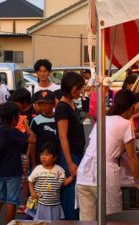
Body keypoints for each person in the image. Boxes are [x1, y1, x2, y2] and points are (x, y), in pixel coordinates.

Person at [76, 89, 139, 221]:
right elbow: (131, 156)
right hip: (104, 174)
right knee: (112, 218)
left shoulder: (103, 119)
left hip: (84, 173)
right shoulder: (126, 124)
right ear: (131, 107)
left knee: (87, 220)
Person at [0, 101, 36, 225]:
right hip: (13, 170)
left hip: (0, 170)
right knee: (12, 200)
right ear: (14, 118)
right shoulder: (13, 132)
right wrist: (26, 126)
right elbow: (32, 139)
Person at [54, 71, 86, 220]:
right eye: (77, 88)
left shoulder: (71, 103)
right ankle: (70, 221)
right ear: (68, 88)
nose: (79, 91)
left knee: (77, 193)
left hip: (77, 153)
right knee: (70, 194)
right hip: (69, 155)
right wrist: (70, 163)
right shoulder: (62, 107)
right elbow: (62, 136)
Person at [27, 142, 74, 220]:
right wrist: (32, 192)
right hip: (41, 204)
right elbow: (30, 181)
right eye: (42, 154)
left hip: (55, 205)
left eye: (47, 155)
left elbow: (64, 182)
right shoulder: (38, 169)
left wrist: (73, 176)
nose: (43, 157)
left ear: (55, 158)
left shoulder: (59, 170)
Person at [9, 88, 37, 213]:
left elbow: (33, 137)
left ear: (24, 102)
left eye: (17, 102)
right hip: (17, 150)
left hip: (30, 149)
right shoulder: (16, 112)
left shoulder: (33, 112)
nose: (15, 105)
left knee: (30, 178)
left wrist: (29, 155)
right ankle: (27, 202)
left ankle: (31, 203)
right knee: (24, 179)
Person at [30, 90, 58, 164]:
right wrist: (33, 163)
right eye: (41, 104)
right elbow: (32, 142)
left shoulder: (59, 118)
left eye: (46, 104)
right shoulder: (36, 120)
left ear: (54, 104)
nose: (44, 106)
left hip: (57, 157)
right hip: (42, 159)